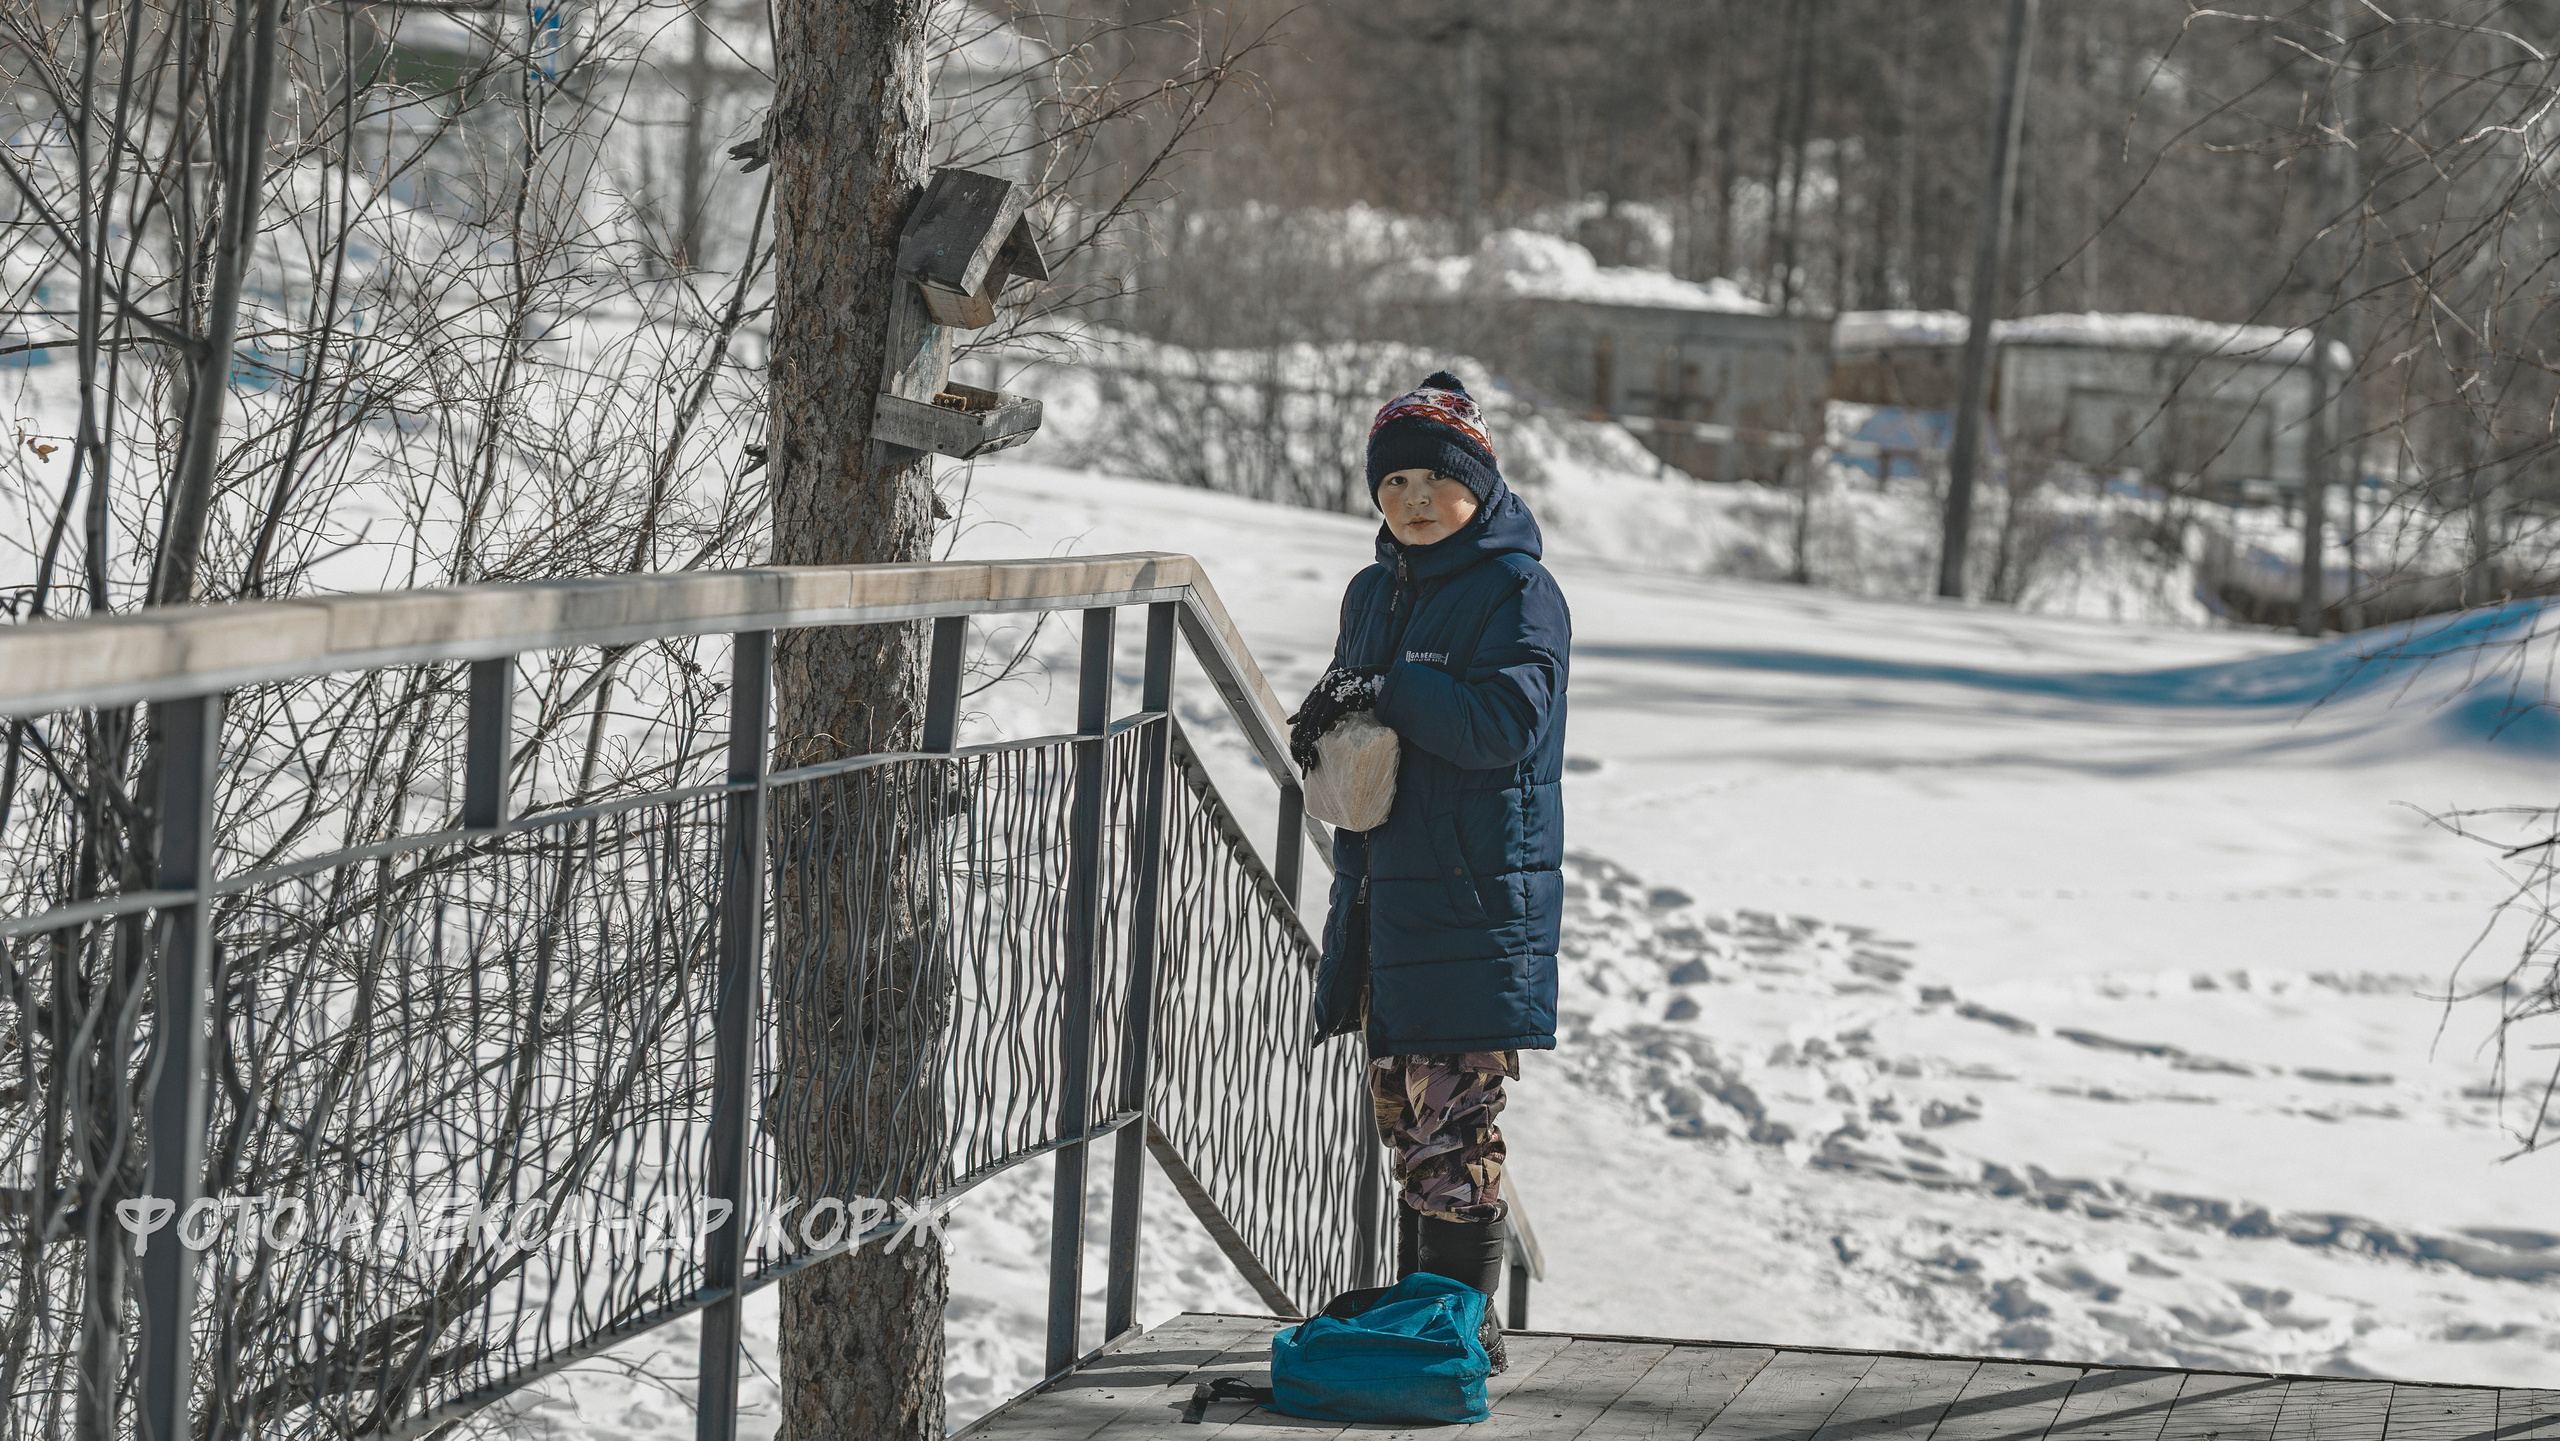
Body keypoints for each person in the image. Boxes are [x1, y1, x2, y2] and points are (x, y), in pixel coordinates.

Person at [1287, 370, 1570, 1368]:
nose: (1412, 497)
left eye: (1434, 479)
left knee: (1455, 1134)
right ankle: (1434, 1321)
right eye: (1393, 478)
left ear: (1479, 484)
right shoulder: (1373, 591)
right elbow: (1365, 723)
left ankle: (1450, 1333)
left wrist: (1394, 686)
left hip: (1468, 900)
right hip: (1382, 898)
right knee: (1408, 1135)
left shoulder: (1517, 593)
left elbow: (1506, 725)